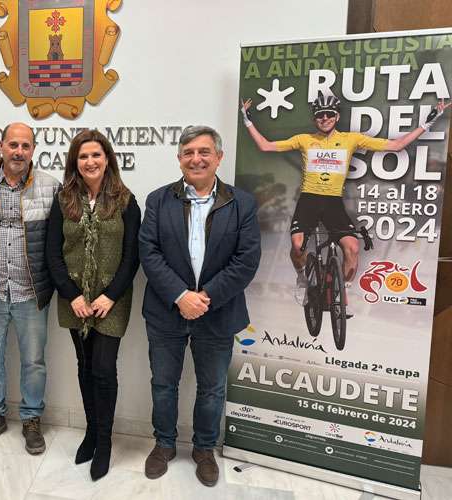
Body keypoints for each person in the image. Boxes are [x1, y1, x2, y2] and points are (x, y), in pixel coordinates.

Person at [240, 94, 449, 313]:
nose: (325, 118)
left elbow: (397, 145)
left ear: (337, 116)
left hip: (333, 202)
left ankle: (343, 289)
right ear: (315, 119)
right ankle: (302, 278)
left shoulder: (351, 139)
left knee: (352, 248)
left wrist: (429, 121)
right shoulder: (304, 139)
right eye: (320, 115)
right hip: (309, 199)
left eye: (330, 114)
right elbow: (265, 146)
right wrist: (247, 120)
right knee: (297, 245)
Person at [139, 126, 261, 486]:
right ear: (179, 159)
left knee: (212, 388)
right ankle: (163, 444)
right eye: (188, 152)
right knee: (163, 384)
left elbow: (246, 260)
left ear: (218, 158)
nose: (196, 158)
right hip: (166, 311)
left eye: (204, 152)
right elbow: (149, 252)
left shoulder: (242, 203)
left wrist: (204, 297)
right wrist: (181, 296)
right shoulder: (158, 200)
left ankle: (204, 449)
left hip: (217, 312)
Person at [45, 130, 140, 480]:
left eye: (96, 155)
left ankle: (105, 442)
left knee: (103, 368)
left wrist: (108, 295)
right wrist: (73, 295)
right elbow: (53, 253)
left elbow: (132, 257)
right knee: (84, 366)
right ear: (75, 162)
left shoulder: (126, 200)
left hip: (111, 300)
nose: (90, 162)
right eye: (83, 156)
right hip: (74, 299)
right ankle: (90, 432)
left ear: (107, 159)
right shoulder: (64, 200)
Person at [0, 122, 60, 455]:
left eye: (26, 146)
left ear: (34, 149)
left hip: (31, 292)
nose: (19, 152)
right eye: (13, 145)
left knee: (34, 361)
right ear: (1, 146)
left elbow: (58, 242)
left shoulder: (50, 186)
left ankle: (32, 419)